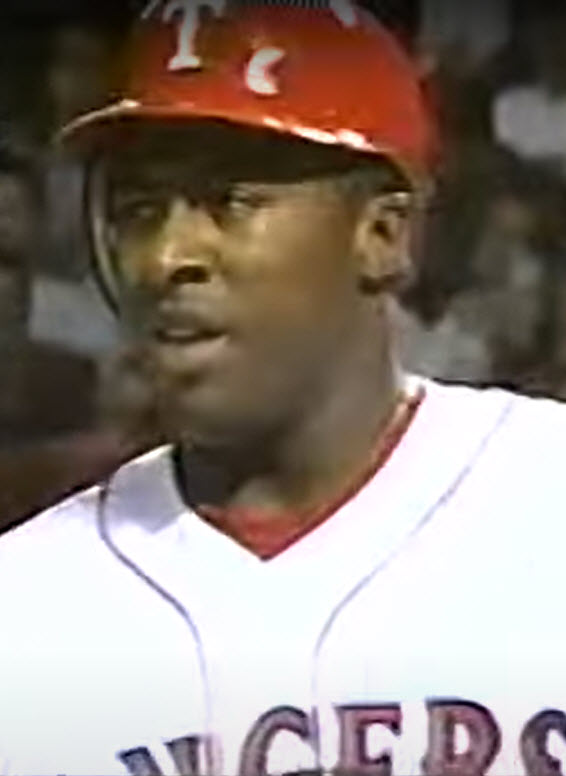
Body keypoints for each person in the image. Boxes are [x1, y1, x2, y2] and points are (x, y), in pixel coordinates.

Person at [0, 3, 565, 775]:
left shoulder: (545, 492)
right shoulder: (28, 607)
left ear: (383, 234)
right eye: (139, 211)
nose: (167, 256)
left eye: (230, 201)